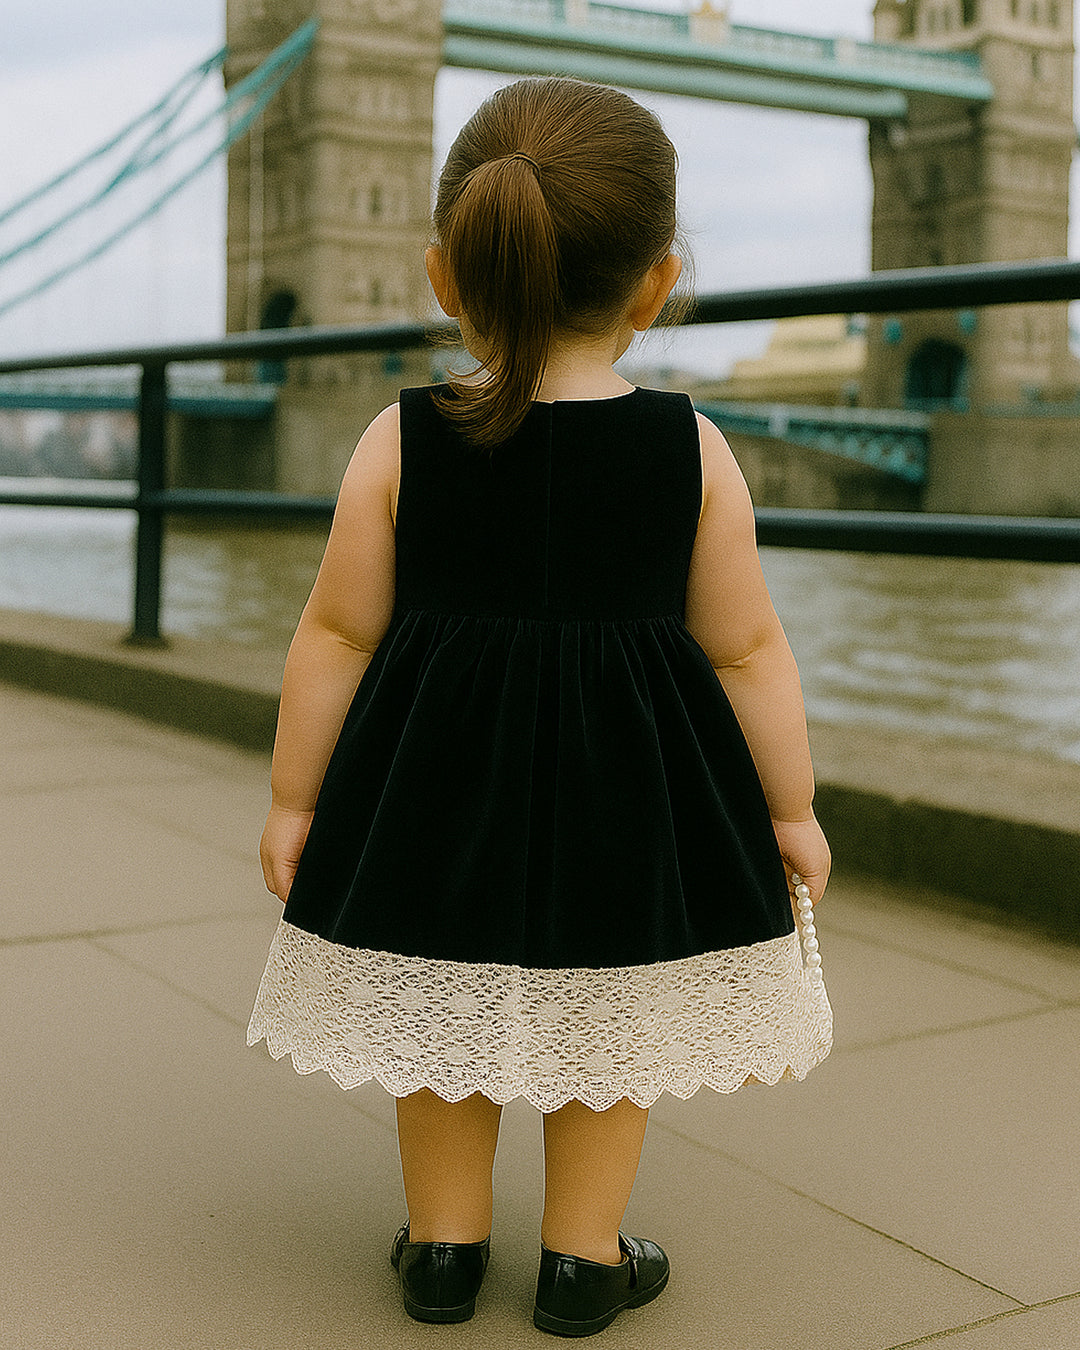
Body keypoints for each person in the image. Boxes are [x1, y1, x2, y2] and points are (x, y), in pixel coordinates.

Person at [248, 75, 832, 1338]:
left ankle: (443, 1251)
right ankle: (582, 1261)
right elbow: (747, 653)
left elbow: (337, 632)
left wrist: (297, 798)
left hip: (431, 784)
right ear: (656, 286)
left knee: (438, 1008)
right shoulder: (692, 448)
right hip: (630, 787)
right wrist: (790, 809)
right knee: (607, 1022)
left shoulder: (402, 437)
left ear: (447, 275)